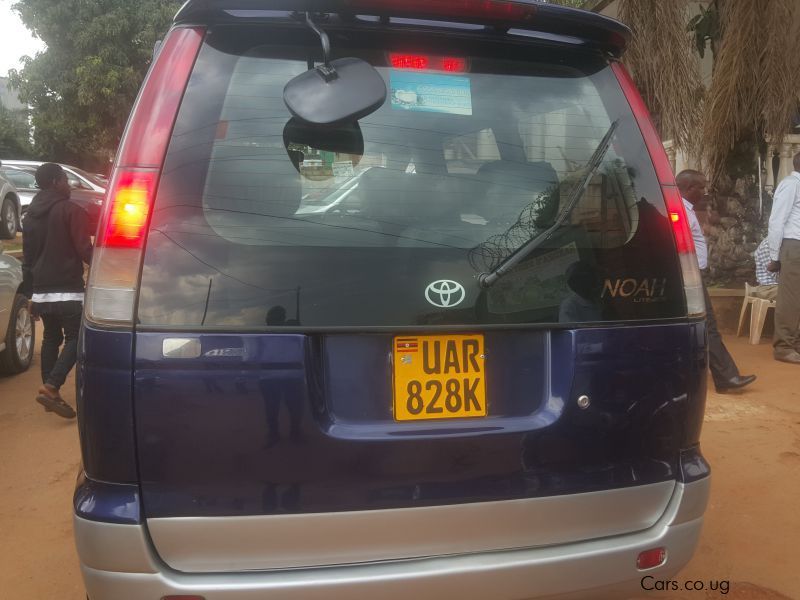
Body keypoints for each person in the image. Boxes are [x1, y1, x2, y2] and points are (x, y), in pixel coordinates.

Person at [21, 163, 93, 419]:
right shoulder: (71, 211)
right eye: (65, 180)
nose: (69, 185)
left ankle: (51, 391)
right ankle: (52, 386)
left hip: (41, 292)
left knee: (51, 338)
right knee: (76, 338)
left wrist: (31, 295)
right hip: (69, 291)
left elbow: (27, 259)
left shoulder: (30, 216)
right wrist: (105, 265)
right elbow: (84, 250)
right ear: (55, 181)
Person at [676, 169, 756, 392]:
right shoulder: (680, 210)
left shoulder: (685, 209)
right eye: (701, 187)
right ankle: (726, 378)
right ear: (689, 187)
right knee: (707, 325)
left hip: (690, 274)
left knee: (694, 326)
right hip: (688, 276)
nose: (704, 192)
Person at [766, 152, 800, 364]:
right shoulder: (790, 184)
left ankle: (795, 343)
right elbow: (777, 221)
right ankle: (784, 347)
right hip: (794, 244)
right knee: (791, 298)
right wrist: (774, 255)